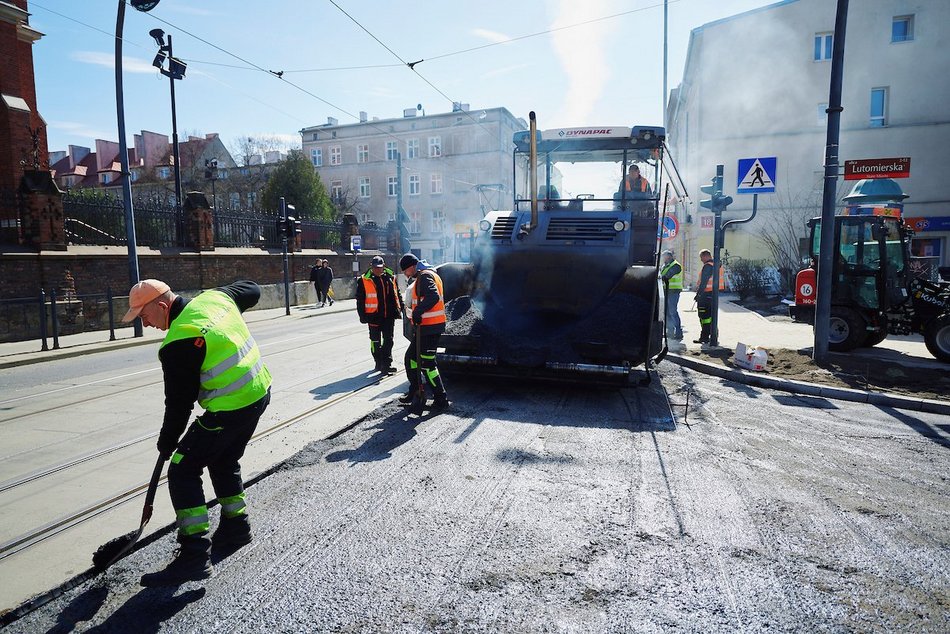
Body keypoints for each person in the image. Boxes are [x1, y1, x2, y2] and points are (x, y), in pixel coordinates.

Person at [122, 279, 272, 586]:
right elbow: (252, 289)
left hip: (229, 409)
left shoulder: (179, 341)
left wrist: (167, 444)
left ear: (162, 307)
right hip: (258, 393)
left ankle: (194, 555)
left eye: (144, 316)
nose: (145, 323)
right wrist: (223, 302)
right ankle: (237, 526)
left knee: (182, 469)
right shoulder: (215, 298)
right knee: (223, 460)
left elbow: (179, 404)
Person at [398, 253, 450, 411]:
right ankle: (415, 391)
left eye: (405, 270)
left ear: (412, 266)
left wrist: (417, 312)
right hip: (426, 327)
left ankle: (441, 398)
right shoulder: (425, 275)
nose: (406, 274)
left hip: (430, 327)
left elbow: (433, 296)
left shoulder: (425, 276)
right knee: (411, 358)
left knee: (427, 364)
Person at [356, 255, 404, 374]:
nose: (378, 270)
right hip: (373, 316)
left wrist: (401, 307)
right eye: (375, 267)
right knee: (375, 341)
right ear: (371, 267)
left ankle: (386, 364)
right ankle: (378, 362)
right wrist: (362, 316)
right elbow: (360, 300)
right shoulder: (364, 280)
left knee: (388, 341)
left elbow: (396, 293)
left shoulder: (390, 277)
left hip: (389, 316)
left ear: (384, 267)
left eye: (380, 267)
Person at [660, 250, 684, 340]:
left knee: (673, 311)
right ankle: (670, 332)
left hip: (673, 291)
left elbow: (667, 276)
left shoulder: (676, 266)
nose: (663, 258)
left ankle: (678, 333)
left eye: (664, 256)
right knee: (667, 312)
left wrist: (658, 277)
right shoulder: (665, 265)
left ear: (669, 257)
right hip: (666, 291)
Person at [695, 249, 715, 344]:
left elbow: (704, 282)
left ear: (705, 256)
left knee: (704, 317)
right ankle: (713, 335)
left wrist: (698, 295)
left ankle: (704, 337)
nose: (701, 260)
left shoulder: (708, 266)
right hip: (713, 294)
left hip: (705, 295)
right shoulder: (716, 264)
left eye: (701, 257)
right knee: (711, 317)